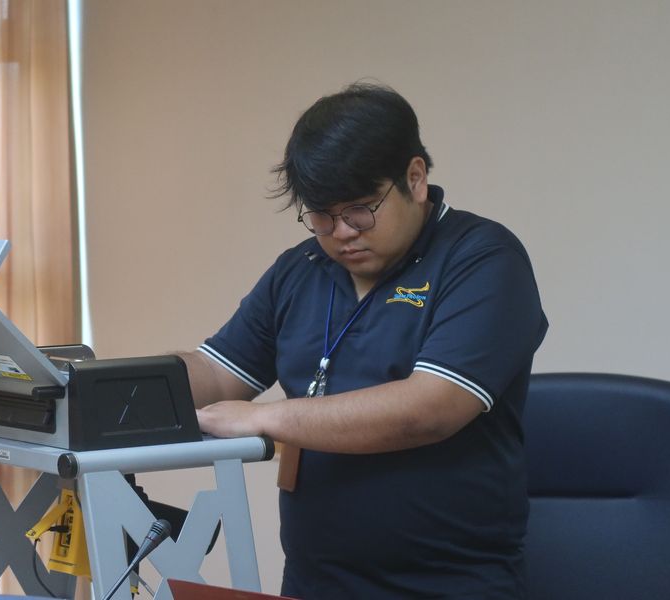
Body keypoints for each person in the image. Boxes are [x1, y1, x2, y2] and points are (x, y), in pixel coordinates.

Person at [180, 82, 548, 599]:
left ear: (414, 178)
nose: (341, 232)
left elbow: (429, 408)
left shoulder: (482, 258)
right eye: (321, 215)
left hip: (446, 586)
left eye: (359, 209)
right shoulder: (300, 269)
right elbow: (217, 374)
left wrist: (267, 417)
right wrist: (104, 384)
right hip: (314, 582)